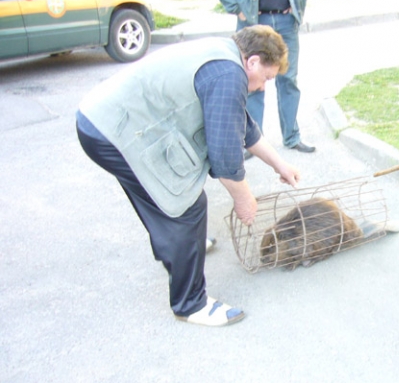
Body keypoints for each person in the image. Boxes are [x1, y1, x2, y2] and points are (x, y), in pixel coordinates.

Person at [76, 25, 301, 327]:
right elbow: (224, 154)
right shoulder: (228, 75)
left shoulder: (225, 56)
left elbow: (240, 126)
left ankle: (181, 249)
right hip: (112, 130)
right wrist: (243, 198)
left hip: (100, 119)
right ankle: (191, 303)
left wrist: (280, 165)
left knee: (162, 196)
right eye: (267, 78)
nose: (263, 87)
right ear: (254, 62)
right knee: (186, 206)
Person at [208, 0, 315, 159]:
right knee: (252, 83)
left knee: (288, 79)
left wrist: (298, 1)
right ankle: (255, 143)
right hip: (252, 21)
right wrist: (237, 8)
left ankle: (292, 136)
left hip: (285, 19)